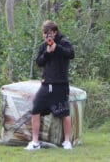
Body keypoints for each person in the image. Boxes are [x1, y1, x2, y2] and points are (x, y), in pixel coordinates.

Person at [25, 20, 75, 150]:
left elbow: (71, 54)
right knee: (35, 110)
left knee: (65, 113)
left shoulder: (63, 42)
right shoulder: (43, 46)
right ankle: (35, 142)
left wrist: (56, 48)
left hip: (61, 85)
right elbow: (39, 62)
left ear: (55, 32)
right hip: (46, 85)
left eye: (49, 33)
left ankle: (67, 142)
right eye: (44, 33)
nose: (47, 36)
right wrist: (47, 52)